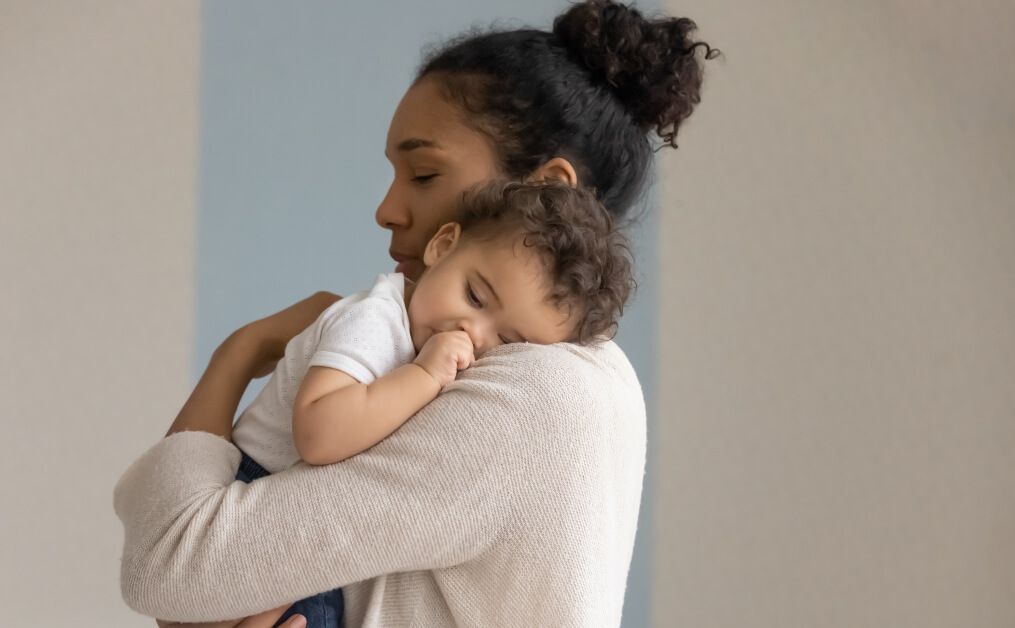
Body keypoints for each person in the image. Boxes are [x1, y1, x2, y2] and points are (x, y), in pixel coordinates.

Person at [113, 1, 717, 626]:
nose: (387, 209)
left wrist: (240, 353)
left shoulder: (537, 397)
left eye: (424, 173)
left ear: (548, 190)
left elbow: (166, 566)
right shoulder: (574, 376)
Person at [223, 180, 634, 628]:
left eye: (506, 342)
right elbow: (319, 435)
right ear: (443, 246)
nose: (474, 332)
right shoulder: (373, 321)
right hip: (253, 495)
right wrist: (421, 377)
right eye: (474, 296)